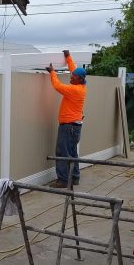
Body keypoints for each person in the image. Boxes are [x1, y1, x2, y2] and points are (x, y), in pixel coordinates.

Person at [45, 50, 87, 188]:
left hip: (68, 127)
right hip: (75, 127)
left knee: (62, 152)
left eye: (73, 77)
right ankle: (75, 178)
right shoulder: (80, 85)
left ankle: (62, 181)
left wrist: (52, 72)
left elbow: (57, 86)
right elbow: (74, 69)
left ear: (79, 79)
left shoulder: (75, 90)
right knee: (72, 153)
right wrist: (68, 57)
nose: (71, 77)